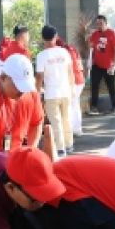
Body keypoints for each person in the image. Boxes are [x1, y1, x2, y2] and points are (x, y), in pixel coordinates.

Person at [36, 25, 75, 158]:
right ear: (56, 36)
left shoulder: (41, 56)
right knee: (66, 119)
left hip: (51, 94)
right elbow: (70, 72)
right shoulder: (64, 52)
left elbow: (40, 77)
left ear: (43, 39)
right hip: (66, 91)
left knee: (56, 122)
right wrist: (72, 88)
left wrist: (37, 92)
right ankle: (69, 145)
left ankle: (60, 148)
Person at [88, 14, 115, 115]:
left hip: (109, 66)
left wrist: (114, 64)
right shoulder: (94, 35)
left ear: (106, 23)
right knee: (94, 86)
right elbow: (91, 49)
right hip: (97, 65)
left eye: (101, 23)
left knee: (111, 86)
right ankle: (94, 107)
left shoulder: (112, 33)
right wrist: (89, 61)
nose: (99, 25)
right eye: (97, 23)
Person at [56, 35, 85, 137]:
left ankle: (71, 130)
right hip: (80, 79)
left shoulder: (62, 52)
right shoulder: (71, 48)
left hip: (73, 81)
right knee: (75, 105)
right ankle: (77, 129)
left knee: (70, 106)